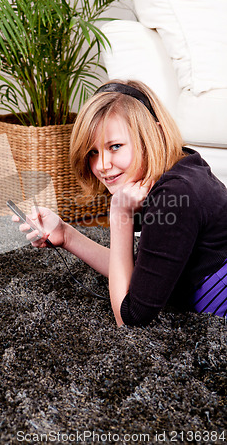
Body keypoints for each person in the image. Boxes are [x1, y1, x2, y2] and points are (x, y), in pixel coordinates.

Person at [12, 80, 227, 326]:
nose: (101, 165)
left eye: (115, 146)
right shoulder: (184, 166)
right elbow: (143, 274)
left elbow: (130, 320)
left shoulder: (175, 196)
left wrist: (120, 215)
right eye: (92, 152)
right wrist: (67, 235)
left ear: (154, 134)